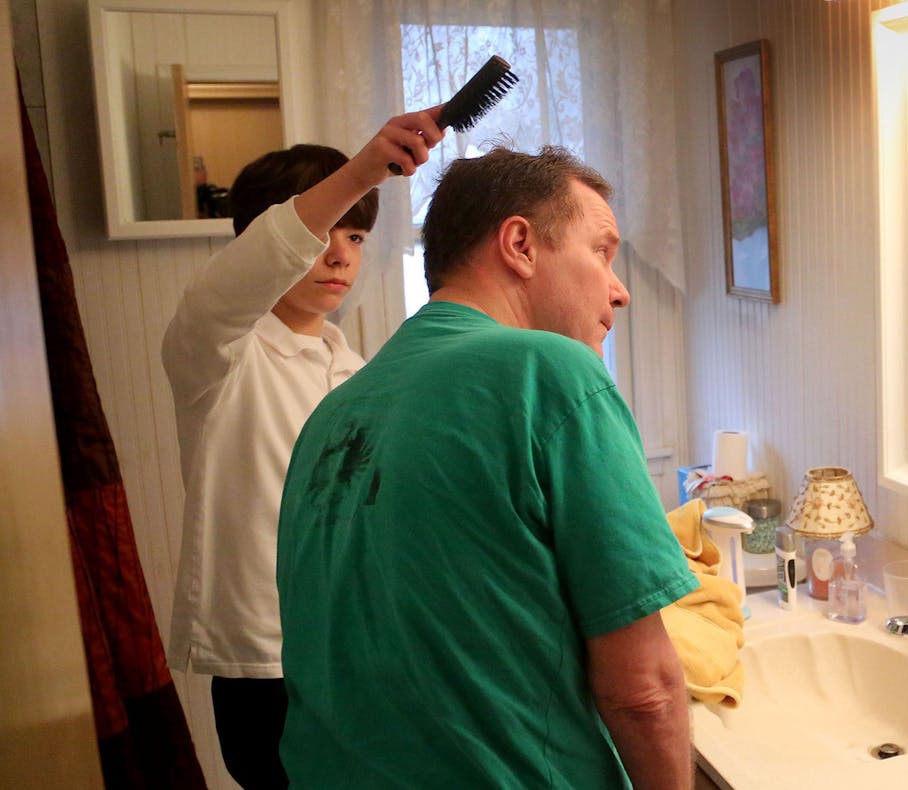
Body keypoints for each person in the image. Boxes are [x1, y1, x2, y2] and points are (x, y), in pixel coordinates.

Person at [275, 145, 700, 788]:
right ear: (521, 245)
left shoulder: (336, 413)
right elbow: (644, 690)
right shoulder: (551, 373)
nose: (621, 290)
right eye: (602, 252)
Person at [162, 108, 444, 788]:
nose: (341, 254)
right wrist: (360, 172)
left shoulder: (354, 370)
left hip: (358, 651)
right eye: (323, 231)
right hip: (265, 663)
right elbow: (235, 282)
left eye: (355, 234)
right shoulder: (217, 351)